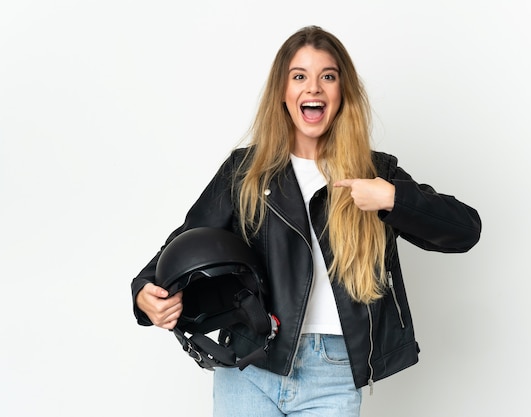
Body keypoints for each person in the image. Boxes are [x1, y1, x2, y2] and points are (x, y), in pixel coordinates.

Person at [131, 25, 481, 417]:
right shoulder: (245, 171)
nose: (313, 88)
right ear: (283, 91)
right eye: (299, 76)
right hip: (251, 362)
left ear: (342, 91)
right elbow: (183, 241)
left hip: (333, 372)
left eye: (327, 77)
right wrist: (145, 292)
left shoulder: (375, 173)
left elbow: (465, 231)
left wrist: (393, 198)